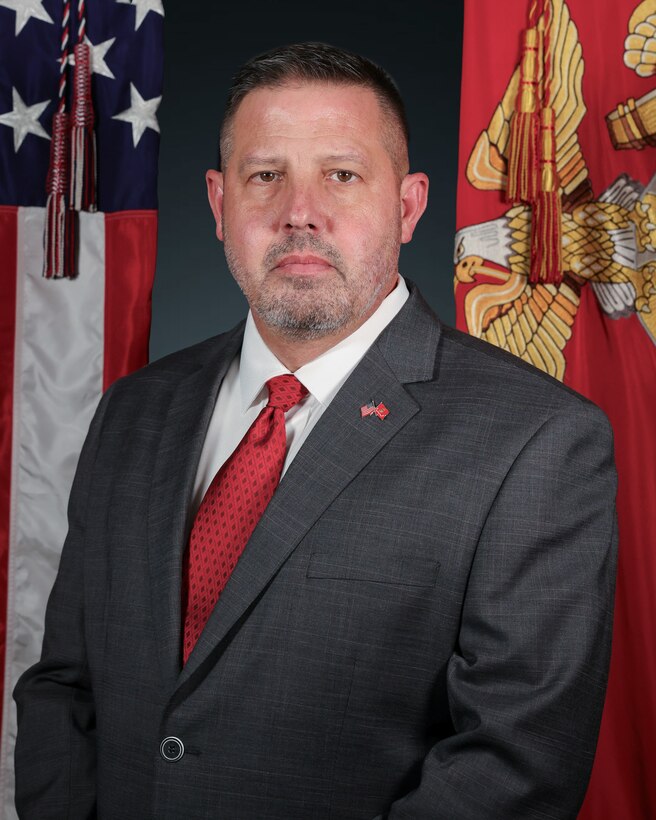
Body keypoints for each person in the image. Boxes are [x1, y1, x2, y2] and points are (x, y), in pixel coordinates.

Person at [14, 42, 617, 820]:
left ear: (407, 206)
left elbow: (513, 767)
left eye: (341, 174)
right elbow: (66, 686)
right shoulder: (134, 411)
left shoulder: (536, 441)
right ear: (218, 201)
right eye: (265, 175)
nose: (299, 210)